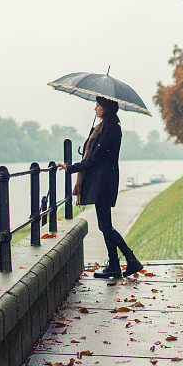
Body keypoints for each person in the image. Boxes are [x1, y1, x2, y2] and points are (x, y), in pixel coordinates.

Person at [58, 96, 144, 279]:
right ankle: (118, 263)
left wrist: (71, 168)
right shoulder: (104, 127)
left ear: (106, 108)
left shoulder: (111, 128)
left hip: (104, 181)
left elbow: (95, 157)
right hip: (103, 179)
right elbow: (93, 153)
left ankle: (127, 260)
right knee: (105, 225)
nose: (95, 108)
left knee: (105, 225)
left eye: (98, 105)